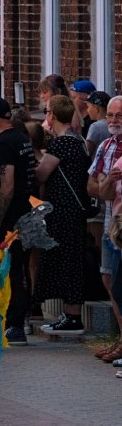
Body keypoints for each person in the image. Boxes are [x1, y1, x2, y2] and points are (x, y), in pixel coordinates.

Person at [0, 96, 39, 344]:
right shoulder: (21, 138)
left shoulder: (3, 144)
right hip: (26, 211)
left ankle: (14, 324)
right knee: (20, 267)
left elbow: (7, 185)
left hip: (12, 217)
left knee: (9, 268)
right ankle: (18, 320)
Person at [35, 95, 93, 334]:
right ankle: (69, 313)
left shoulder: (61, 144)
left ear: (52, 115)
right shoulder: (78, 141)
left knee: (66, 260)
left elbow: (41, 174)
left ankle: (72, 315)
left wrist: (37, 157)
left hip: (62, 210)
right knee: (71, 259)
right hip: (75, 210)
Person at [88, 96, 122, 362]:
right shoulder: (106, 146)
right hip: (113, 223)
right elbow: (95, 188)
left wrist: (104, 185)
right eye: (110, 115)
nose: (112, 121)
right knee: (110, 280)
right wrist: (107, 182)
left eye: (118, 116)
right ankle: (120, 338)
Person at [85, 91, 112, 157]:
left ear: (96, 108)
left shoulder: (96, 126)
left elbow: (86, 152)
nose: (87, 110)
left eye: (88, 107)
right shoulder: (112, 123)